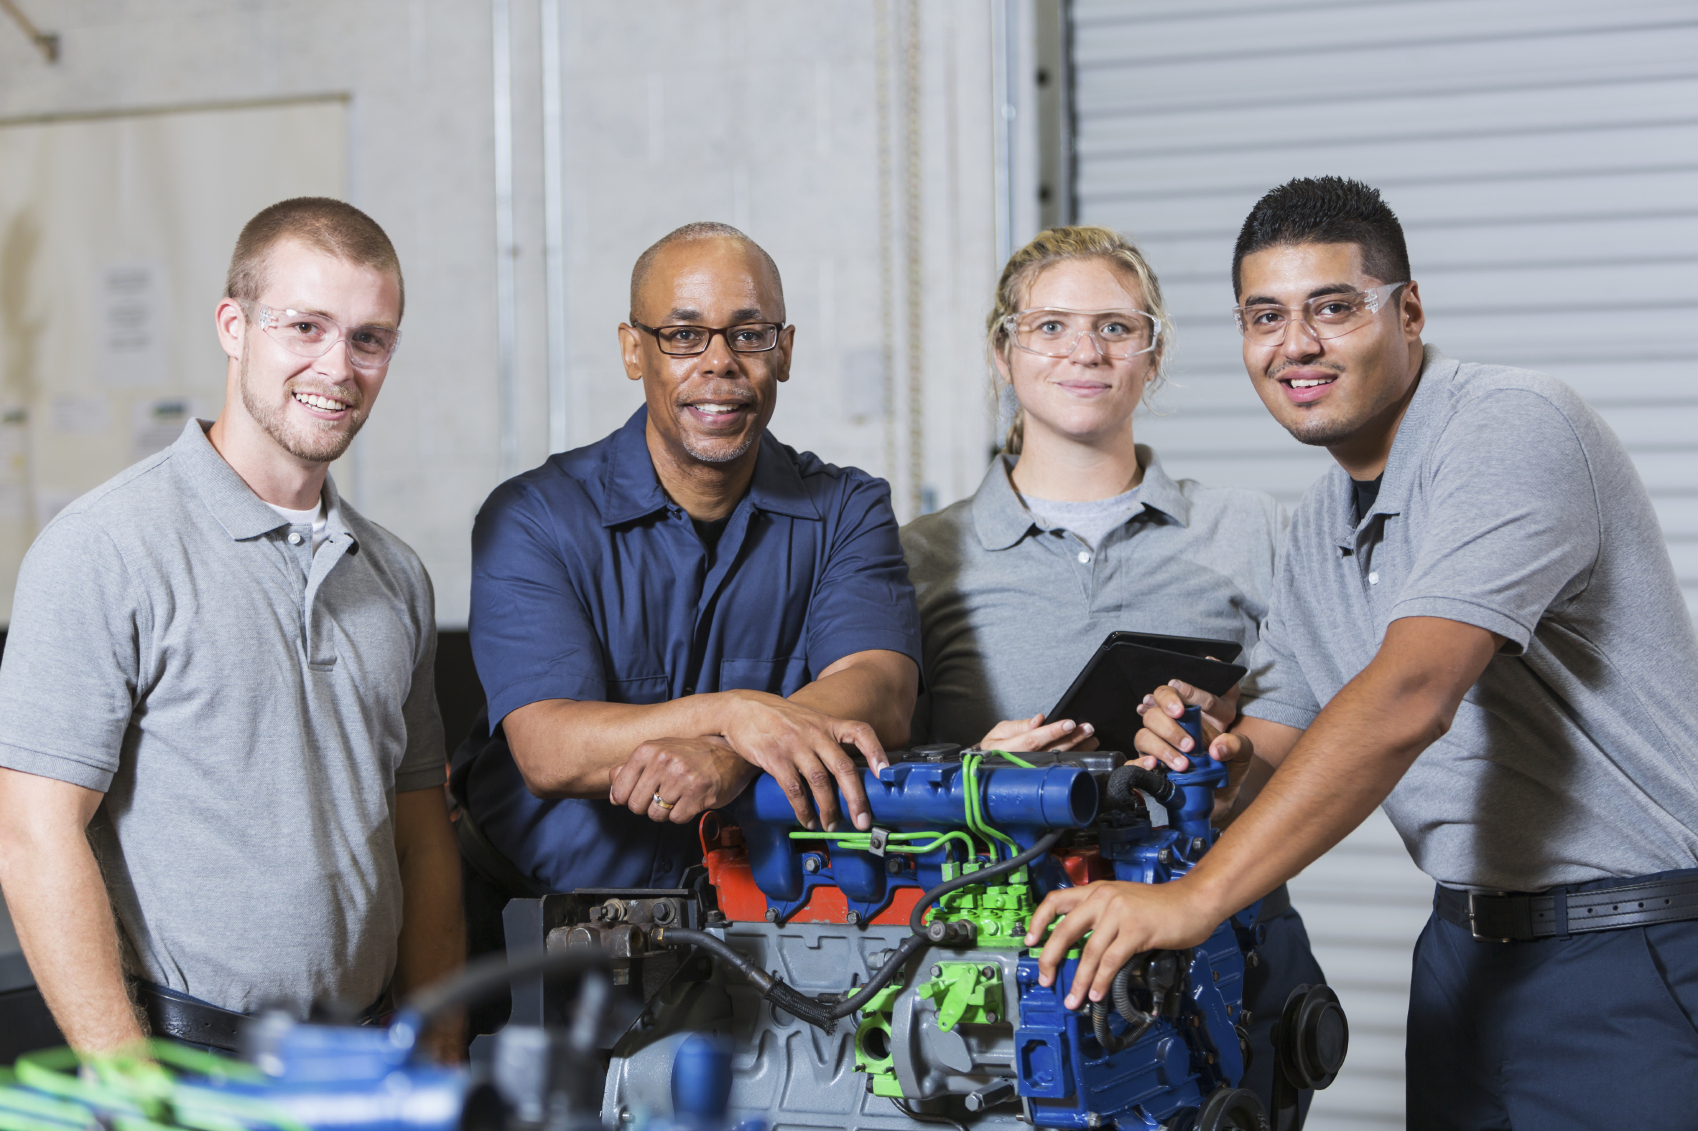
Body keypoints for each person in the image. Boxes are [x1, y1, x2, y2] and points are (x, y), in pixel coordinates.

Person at [1028, 177, 1698, 1128]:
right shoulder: (1321, 522)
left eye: (1332, 308)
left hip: (1633, 945)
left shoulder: (1509, 427)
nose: (1295, 344)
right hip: (1465, 951)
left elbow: (1409, 694)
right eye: (1266, 316)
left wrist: (1193, 898)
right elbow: (1282, 731)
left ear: (1409, 311)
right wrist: (1209, 759)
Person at [0, 198, 463, 1058]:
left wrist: (440, 1041)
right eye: (305, 327)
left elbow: (420, 830)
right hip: (187, 1066)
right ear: (234, 325)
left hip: (366, 1069)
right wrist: (131, 1086)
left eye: (369, 338)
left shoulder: (395, 574)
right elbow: (32, 835)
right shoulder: (104, 548)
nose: (338, 365)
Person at [900, 225, 1326, 1122]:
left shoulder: (1254, 533)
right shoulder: (919, 559)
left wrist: (1237, 751)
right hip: (995, 959)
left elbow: (1317, 722)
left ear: (1154, 353)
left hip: (1219, 951)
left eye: (1115, 327)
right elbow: (873, 769)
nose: (1084, 351)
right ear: (1002, 351)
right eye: (1049, 326)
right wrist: (974, 767)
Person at [451, 222, 920, 1020]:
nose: (719, 363)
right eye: (683, 334)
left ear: (786, 350)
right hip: (527, 933)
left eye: (749, 333)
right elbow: (549, 747)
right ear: (635, 351)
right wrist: (734, 717)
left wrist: (738, 751)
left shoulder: (846, 508)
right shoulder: (534, 518)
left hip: (760, 935)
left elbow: (880, 688)